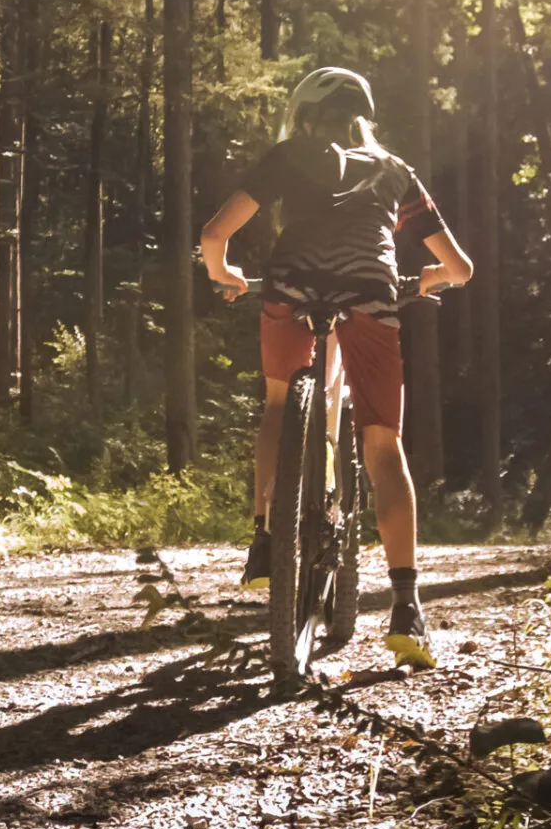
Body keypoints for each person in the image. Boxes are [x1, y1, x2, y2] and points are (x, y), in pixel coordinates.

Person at [199, 67, 472, 670]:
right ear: (363, 116)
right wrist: (429, 278)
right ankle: (406, 607)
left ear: (302, 118)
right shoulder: (395, 171)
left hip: (291, 285)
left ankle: (265, 539)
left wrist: (225, 274)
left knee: (278, 402)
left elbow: (214, 234)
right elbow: (460, 267)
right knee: (382, 442)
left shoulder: (289, 156)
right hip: (370, 291)